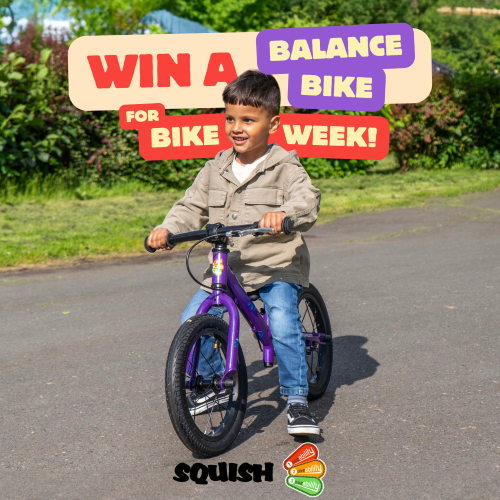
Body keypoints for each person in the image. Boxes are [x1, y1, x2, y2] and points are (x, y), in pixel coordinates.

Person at [147, 69, 322, 435]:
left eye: (248, 120)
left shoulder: (284, 166)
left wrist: (285, 215)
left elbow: (307, 200)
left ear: (272, 122)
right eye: (230, 118)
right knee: (191, 315)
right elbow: (189, 206)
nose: (237, 127)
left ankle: (296, 398)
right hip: (228, 267)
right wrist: (168, 229)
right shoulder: (216, 168)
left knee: (282, 322)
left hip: (276, 266)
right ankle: (211, 387)